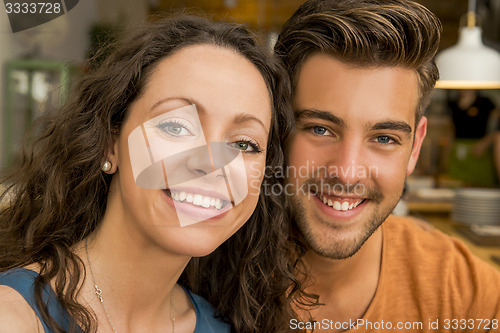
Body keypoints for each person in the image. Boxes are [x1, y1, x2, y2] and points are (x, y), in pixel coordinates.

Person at [0, 15, 296, 332]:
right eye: (176, 126)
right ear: (110, 144)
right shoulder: (14, 317)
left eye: (244, 143)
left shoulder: (228, 325)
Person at [274, 0, 500, 332]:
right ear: (277, 128)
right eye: (320, 129)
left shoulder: (468, 293)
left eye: (384, 138)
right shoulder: (197, 277)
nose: (347, 172)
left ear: (415, 147)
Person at [447, 89, 499, 186]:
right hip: (457, 153)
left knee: (480, 187)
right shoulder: (452, 104)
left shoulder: (486, 102)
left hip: (479, 151)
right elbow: (451, 131)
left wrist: (487, 141)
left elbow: (497, 126)